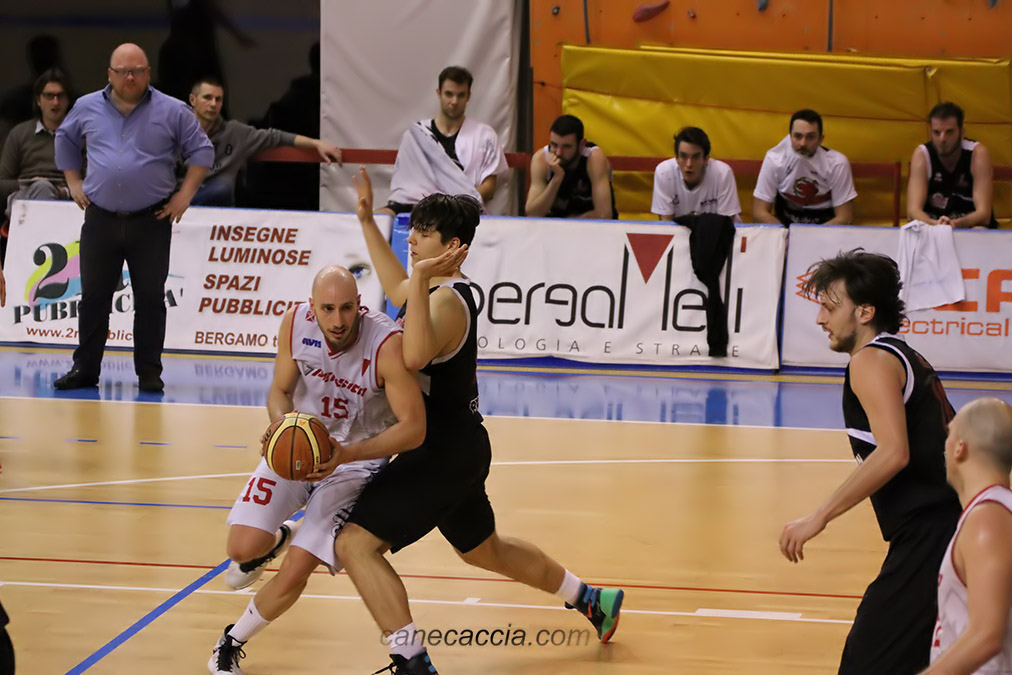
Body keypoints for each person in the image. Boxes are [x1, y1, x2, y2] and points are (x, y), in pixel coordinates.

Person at [333, 167, 624, 675]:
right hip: (459, 447)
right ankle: (591, 598)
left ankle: (412, 661)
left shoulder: (448, 299)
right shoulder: (433, 287)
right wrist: (366, 221)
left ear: (453, 246)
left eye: (424, 232)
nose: (413, 238)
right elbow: (399, 290)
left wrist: (418, 278)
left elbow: (414, 357)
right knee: (484, 550)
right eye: (413, 228)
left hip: (440, 454)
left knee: (354, 544)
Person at [208, 265, 425, 675]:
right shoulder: (295, 323)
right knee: (240, 549)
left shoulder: (386, 345)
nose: (338, 320)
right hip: (300, 443)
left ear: (360, 306)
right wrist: (280, 426)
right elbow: (280, 391)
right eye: (327, 309)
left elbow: (414, 428)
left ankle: (230, 641)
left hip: (354, 462)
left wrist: (347, 454)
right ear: (312, 307)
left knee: (297, 569)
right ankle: (279, 537)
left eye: (346, 309)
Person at [779, 249, 961, 674]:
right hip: (949, 526)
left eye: (830, 308)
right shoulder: (901, 355)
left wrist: (818, 517)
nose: (820, 319)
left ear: (864, 312)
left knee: (867, 661)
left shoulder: (870, 361)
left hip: (934, 533)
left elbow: (894, 452)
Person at [52, 43, 213, 393]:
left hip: (150, 221)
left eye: (137, 71)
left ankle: (149, 373)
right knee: (93, 298)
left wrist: (185, 196)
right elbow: (64, 138)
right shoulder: (87, 106)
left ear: (148, 73)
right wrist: (73, 182)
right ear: (109, 74)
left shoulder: (173, 110)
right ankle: (85, 369)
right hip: (101, 219)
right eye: (123, 71)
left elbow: (202, 151)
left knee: (151, 299)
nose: (130, 77)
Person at [924, 397, 1012, 674]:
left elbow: (986, 635)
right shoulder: (995, 511)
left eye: (949, 434)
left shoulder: (987, 520)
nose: (945, 444)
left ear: (960, 447)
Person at [187, 77, 342, 207]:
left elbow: (276, 136)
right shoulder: (177, 130)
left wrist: (316, 143)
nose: (213, 104)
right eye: (207, 98)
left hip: (213, 211)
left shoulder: (234, 132)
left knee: (222, 188)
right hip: (180, 203)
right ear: (192, 100)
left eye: (218, 99)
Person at [382, 66, 507, 216]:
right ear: (439, 93)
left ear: (468, 96)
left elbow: (489, 188)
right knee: (381, 217)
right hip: (420, 217)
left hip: (465, 217)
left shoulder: (485, 136)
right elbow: (404, 192)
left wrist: (456, 208)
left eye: (461, 95)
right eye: (449, 94)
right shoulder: (415, 137)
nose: (454, 101)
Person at [753, 109, 857, 225]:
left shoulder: (837, 164)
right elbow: (759, 213)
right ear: (790, 136)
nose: (803, 143)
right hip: (785, 226)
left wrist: (810, 234)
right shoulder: (774, 159)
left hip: (826, 227)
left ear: (821, 139)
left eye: (810, 137)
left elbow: (844, 218)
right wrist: (785, 233)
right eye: (798, 136)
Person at [907, 102, 998, 230]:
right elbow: (913, 211)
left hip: (968, 227)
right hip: (933, 227)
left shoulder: (977, 154)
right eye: (936, 132)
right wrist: (936, 225)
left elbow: (984, 215)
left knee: (980, 230)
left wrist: (954, 224)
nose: (942, 139)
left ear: (961, 132)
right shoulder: (922, 154)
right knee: (915, 229)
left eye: (949, 132)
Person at [1, 69, 74, 222]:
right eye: (49, 96)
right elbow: (2, 182)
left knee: (44, 189)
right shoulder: (19, 133)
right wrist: (27, 185)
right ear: (38, 100)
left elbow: (91, 182)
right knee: (41, 188)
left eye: (60, 96)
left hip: (65, 200)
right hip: (23, 197)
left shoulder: (80, 136)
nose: (55, 102)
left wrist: (64, 191)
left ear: (67, 100)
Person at [525, 114, 616, 219]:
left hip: (591, 226)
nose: (558, 152)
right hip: (554, 225)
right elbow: (533, 214)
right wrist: (556, 179)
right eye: (554, 145)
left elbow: (604, 215)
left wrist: (567, 225)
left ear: (581, 145)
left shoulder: (593, 158)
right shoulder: (541, 159)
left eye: (566, 146)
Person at [651, 126, 741, 222]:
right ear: (676, 158)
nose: (689, 164)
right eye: (683, 156)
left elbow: (727, 225)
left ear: (706, 159)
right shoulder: (664, 173)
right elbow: (666, 223)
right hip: (680, 231)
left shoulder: (723, 174)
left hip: (718, 230)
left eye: (696, 157)